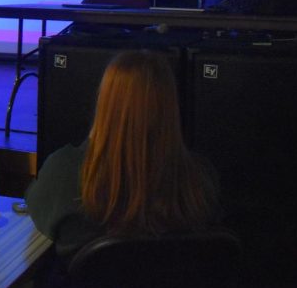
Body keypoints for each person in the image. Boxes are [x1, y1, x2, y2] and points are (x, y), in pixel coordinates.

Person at [25, 50, 219, 260]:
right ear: (171, 107)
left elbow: (36, 210)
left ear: (104, 103)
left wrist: (90, 143)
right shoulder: (200, 180)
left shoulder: (65, 171)